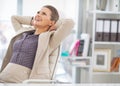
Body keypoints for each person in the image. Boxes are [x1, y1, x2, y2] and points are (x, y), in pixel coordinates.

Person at [0, 5, 74, 83]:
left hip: (21, 83)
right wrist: (34, 20)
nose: (38, 14)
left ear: (52, 22)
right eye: (38, 12)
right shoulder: (23, 32)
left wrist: (54, 23)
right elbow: (14, 18)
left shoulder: (50, 39)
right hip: (3, 78)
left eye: (44, 14)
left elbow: (70, 23)